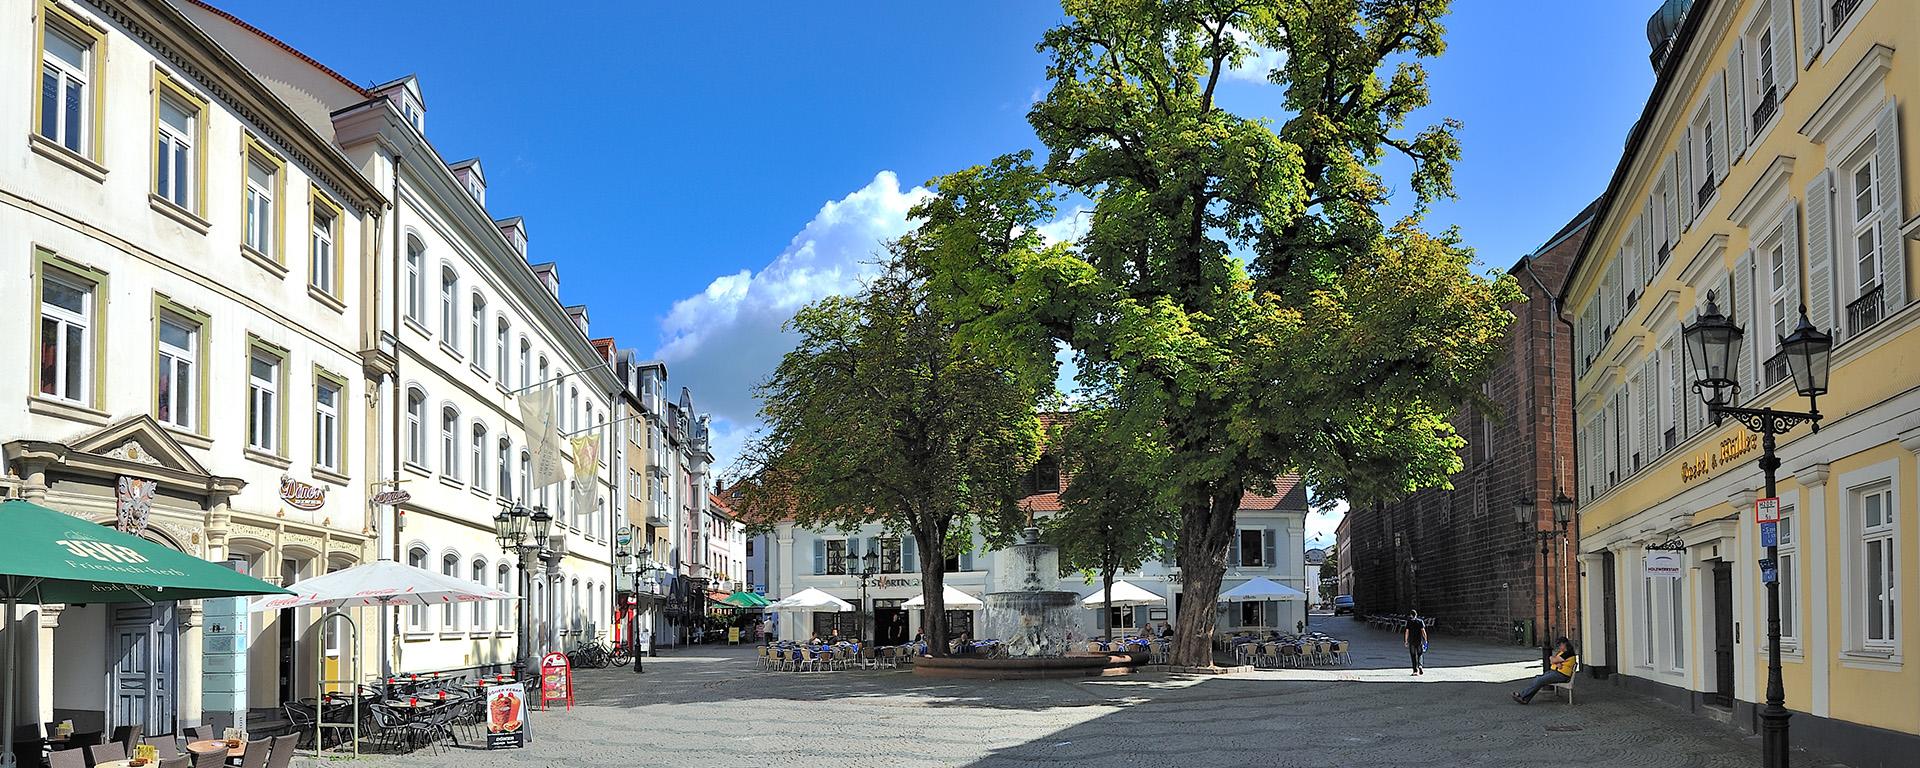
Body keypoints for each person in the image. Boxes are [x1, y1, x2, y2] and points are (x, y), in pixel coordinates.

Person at [1513, 638, 1578, 704]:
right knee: (1538, 678)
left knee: (1539, 680)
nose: (1559, 647)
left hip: (1561, 675)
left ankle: (1522, 696)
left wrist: (1555, 661)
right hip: (1556, 672)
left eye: (1560, 645)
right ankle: (1525, 698)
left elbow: (1553, 660)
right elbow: (1551, 658)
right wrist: (1557, 662)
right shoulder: (1563, 652)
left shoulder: (1568, 653)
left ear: (1565, 644)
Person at [1403, 610, 1427, 675]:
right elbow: (1423, 631)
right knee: (1420, 654)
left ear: (1411, 615)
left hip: (1412, 641)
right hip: (1419, 641)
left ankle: (1415, 671)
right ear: (1416, 615)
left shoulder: (1409, 622)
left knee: (1413, 656)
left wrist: (1406, 641)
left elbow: (1407, 632)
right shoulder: (1420, 621)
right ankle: (1420, 665)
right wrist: (1425, 640)